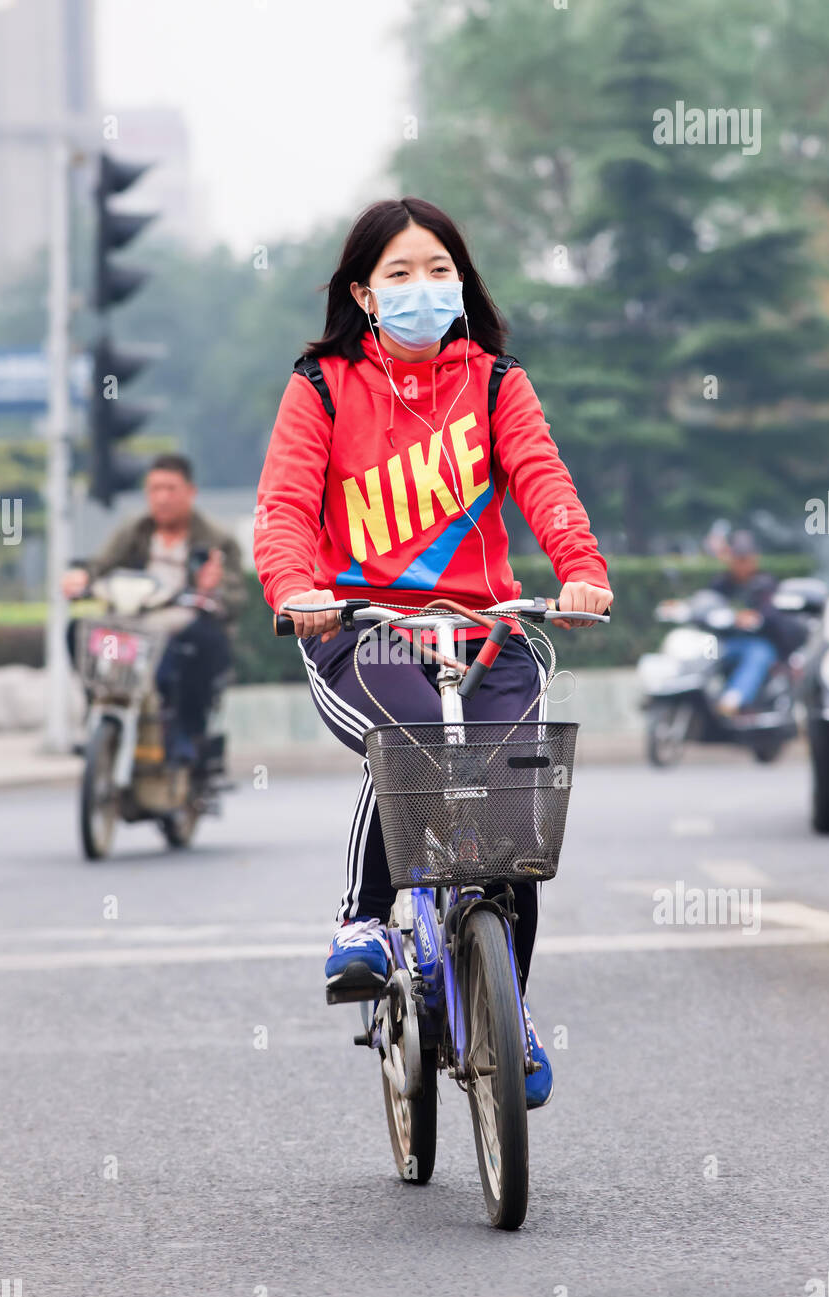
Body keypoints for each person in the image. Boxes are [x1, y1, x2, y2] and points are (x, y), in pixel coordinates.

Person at [254, 197, 612, 1109]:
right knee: (413, 741)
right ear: (365, 295)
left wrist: (580, 570)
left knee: (508, 817)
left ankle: (509, 1003)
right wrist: (296, 592)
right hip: (361, 632)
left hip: (485, 634)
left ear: (464, 281)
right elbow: (287, 509)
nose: (423, 287)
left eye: (440, 269)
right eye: (400, 274)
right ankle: (365, 919)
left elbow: (544, 480)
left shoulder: (495, 382)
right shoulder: (324, 385)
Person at [62, 454, 246, 762]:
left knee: (201, 641)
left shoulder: (217, 538)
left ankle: (187, 733)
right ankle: (99, 714)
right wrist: (81, 578)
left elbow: (236, 595)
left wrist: (214, 587)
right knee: (79, 631)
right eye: (154, 489)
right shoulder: (134, 530)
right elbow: (99, 566)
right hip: (133, 622)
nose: (162, 498)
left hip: (183, 622)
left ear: (191, 492)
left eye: (171, 489)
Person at [710, 530, 801, 715]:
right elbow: (708, 603)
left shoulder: (765, 583)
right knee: (702, 652)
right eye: (738, 558)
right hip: (725, 643)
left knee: (757, 654)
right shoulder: (721, 583)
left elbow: (772, 612)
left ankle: (734, 698)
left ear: (754, 559)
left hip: (759, 643)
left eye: (745, 558)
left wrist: (754, 616)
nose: (741, 564)